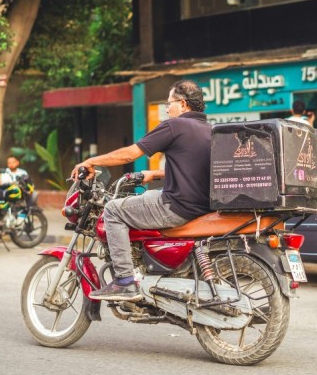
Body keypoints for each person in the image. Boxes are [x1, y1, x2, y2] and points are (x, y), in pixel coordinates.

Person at [70, 80, 212, 301]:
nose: (167, 108)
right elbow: (193, 168)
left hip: (177, 206)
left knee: (114, 210)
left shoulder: (175, 126)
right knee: (145, 196)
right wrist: (155, 174)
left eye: (169, 103)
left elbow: (129, 154)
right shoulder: (208, 129)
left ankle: (124, 281)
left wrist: (91, 161)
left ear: (183, 104)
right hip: (200, 207)